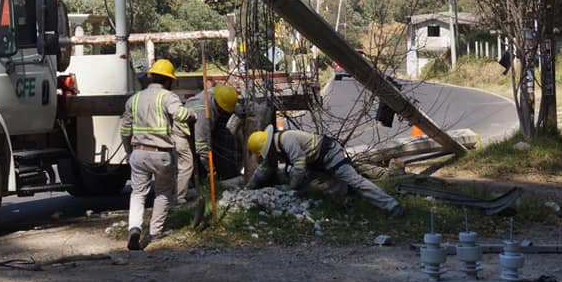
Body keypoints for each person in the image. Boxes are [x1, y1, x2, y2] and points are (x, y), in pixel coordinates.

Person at [119, 59, 195, 250]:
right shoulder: (168, 97)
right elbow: (179, 114)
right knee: (162, 193)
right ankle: (155, 232)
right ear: (169, 81)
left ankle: (135, 227)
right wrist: (192, 115)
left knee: (137, 193)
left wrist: (129, 150)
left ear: (151, 77)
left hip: (138, 153)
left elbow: (125, 129)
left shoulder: (134, 99)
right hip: (161, 154)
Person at [246, 126, 404, 216]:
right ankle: (351, 196)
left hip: (330, 154)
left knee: (355, 180)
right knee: (332, 186)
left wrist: (291, 189)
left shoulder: (287, 140)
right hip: (317, 160)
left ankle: (392, 206)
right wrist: (249, 189)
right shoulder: (276, 145)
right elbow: (264, 168)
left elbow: (299, 169)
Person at [172, 85, 239, 203]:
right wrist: (211, 170)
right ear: (218, 104)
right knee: (189, 164)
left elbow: (218, 91)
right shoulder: (203, 113)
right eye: (222, 109)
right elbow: (201, 147)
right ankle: (181, 197)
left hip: (196, 129)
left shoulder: (216, 93)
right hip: (183, 134)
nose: (223, 112)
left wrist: (237, 108)